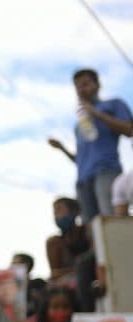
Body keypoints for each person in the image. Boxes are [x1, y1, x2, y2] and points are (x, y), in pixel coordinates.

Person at [47, 68, 133, 227]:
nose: (81, 89)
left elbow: (129, 129)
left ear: (97, 85)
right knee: (90, 227)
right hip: (83, 179)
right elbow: (79, 159)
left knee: (111, 220)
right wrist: (61, 148)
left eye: (85, 84)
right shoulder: (79, 125)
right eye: (78, 86)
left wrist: (96, 113)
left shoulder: (113, 105)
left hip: (106, 171)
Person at [45, 197, 90, 284]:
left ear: (75, 212)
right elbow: (54, 274)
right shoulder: (54, 242)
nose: (56, 215)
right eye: (54, 212)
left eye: (59, 210)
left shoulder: (87, 231)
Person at [11, 252, 46, 319]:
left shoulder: (39, 284)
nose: (12, 267)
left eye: (16, 264)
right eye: (12, 264)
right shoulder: (8, 289)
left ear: (26, 265)